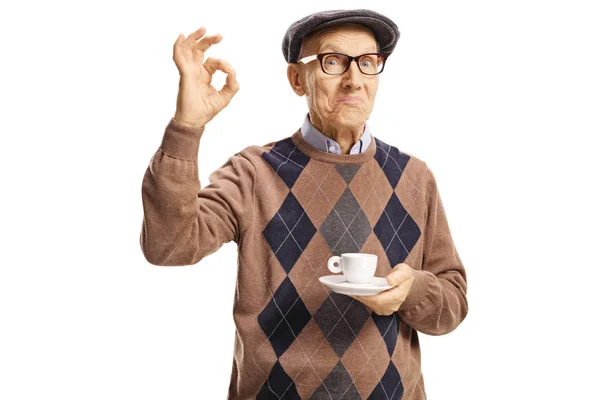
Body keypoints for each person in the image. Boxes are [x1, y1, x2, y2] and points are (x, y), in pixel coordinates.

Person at [140, 9, 468, 400]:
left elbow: (452, 304)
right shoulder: (253, 173)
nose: (354, 80)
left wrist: (412, 291)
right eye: (333, 62)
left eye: (368, 63)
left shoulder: (415, 177)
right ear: (298, 79)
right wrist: (186, 128)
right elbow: (168, 245)